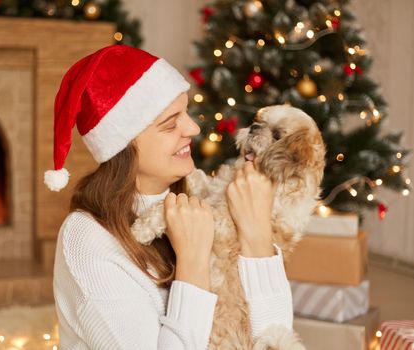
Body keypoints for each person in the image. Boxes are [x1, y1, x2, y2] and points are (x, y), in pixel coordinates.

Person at [44, 44, 293, 350]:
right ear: (123, 145)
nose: (193, 127)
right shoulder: (87, 240)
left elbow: (277, 340)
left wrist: (257, 238)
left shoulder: (202, 198)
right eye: (170, 123)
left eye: (185, 113)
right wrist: (192, 261)